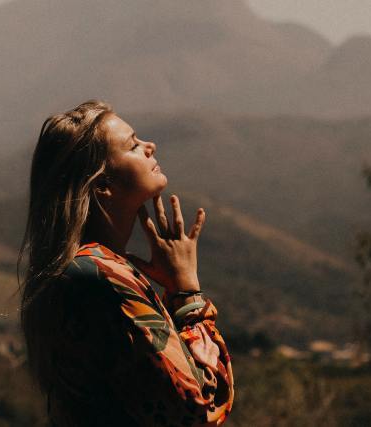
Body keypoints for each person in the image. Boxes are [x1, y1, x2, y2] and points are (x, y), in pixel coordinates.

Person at [19, 100, 234, 426]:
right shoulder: (102, 278)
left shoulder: (84, 270)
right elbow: (200, 409)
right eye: (133, 145)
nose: (150, 146)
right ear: (103, 185)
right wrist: (187, 293)